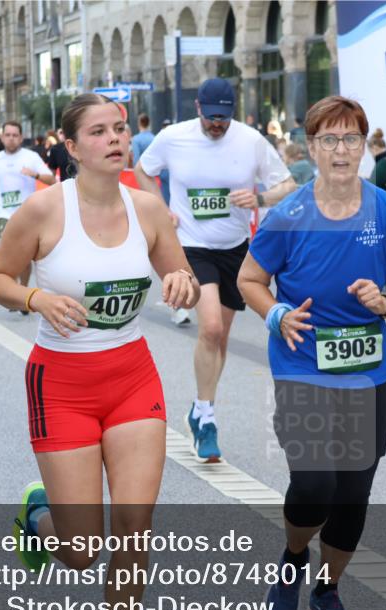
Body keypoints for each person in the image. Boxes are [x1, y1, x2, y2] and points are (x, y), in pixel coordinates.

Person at [0, 93, 199, 610]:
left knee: (135, 524)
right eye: (98, 132)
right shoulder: (45, 210)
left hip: (130, 374)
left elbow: (181, 273)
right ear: (72, 148)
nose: (114, 139)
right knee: (81, 549)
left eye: (120, 129)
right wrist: (35, 297)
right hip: (62, 381)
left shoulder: (148, 209)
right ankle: (39, 517)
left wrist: (181, 285)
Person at [237, 95, 386, 610]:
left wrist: (385, 303)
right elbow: (250, 280)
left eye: (352, 139)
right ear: (311, 147)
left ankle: (328, 589)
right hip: (301, 367)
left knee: (354, 490)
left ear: (365, 147)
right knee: (315, 483)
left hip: (367, 373)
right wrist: (277, 316)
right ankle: (293, 557)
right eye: (329, 140)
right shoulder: (290, 213)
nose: (341, 150)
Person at [134, 77, 296, 462]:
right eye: (211, 118)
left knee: (219, 338)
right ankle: (206, 417)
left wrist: (258, 197)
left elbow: (287, 185)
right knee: (208, 327)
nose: (218, 125)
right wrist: (160, 208)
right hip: (190, 246)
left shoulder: (251, 140)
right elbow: (142, 170)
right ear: (198, 110)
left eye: (224, 118)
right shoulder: (174, 137)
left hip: (235, 249)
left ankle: (199, 406)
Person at [0, 121, 55, 297]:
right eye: (8, 135)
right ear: (2, 137)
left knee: (24, 258)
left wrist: (35, 174)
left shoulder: (31, 157)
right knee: (10, 254)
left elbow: (51, 179)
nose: (11, 139)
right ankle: (14, 292)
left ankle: (22, 287)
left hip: (27, 215)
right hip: (4, 214)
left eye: (15, 135)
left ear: (21, 138)